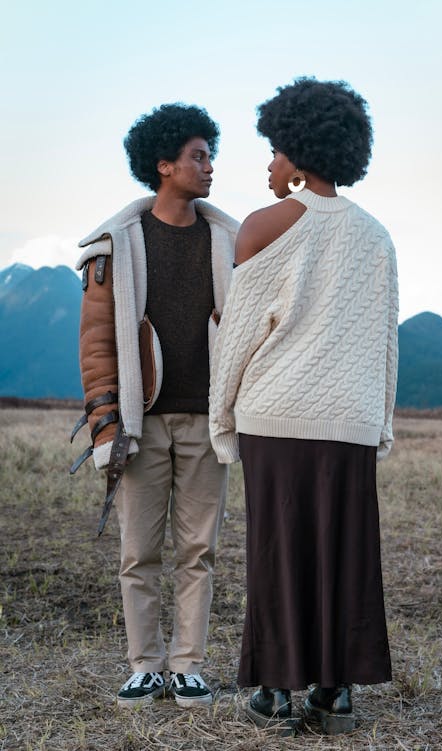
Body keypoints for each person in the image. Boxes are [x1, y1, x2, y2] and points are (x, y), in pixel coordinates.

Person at [209, 77, 398, 735]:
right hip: (349, 420)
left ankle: (276, 690)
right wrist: (380, 422)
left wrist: (221, 413)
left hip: (275, 417)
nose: (269, 164)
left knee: (278, 549)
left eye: (275, 149)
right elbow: (383, 344)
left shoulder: (263, 227)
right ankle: (336, 688)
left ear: (299, 148)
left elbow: (237, 337)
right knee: (344, 550)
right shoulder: (378, 238)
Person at [72, 103, 238, 708]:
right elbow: (95, 346)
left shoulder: (230, 242)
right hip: (140, 425)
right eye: (198, 156)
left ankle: (189, 664)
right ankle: (145, 664)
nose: (209, 166)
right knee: (138, 551)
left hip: (208, 419)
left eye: (209, 154)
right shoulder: (116, 245)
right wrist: (105, 425)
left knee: (200, 550)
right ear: (163, 164)